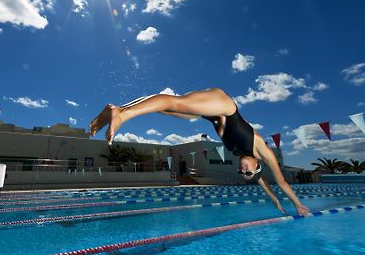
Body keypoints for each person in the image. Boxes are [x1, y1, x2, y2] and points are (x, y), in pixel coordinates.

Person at [89, 88, 310, 216]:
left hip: (212, 114)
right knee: (174, 103)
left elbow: (265, 185)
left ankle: (116, 110)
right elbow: (281, 182)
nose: (243, 171)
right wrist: (297, 204)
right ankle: (122, 115)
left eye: (244, 175)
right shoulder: (261, 149)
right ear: (257, 165)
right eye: (248, 172)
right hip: (224, 106)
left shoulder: (250, 165)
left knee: (167, 109)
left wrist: (276, 203)